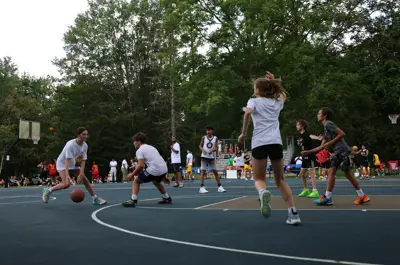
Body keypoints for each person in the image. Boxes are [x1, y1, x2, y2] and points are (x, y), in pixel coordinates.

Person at [238, 71, 301, 225]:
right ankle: (293, 214)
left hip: (259, 143)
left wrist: (243, 133)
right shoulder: (276, 103)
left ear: (258, 89)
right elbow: (283, 96)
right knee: (280, 180)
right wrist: (275, 82)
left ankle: (263, 192)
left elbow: (247, 114)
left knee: (259, 178)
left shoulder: (253, 101)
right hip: (275, 143)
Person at [301, 107, 370, 206]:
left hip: (342, 152)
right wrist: (308, 152)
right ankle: (328, 197)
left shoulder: (329, 123)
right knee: (332, 172)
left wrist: (331, 142)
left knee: (346, 174)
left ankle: (361, 196)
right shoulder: (326, 129)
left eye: (319, 113)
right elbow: (322, 146)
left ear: (324, 116)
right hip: (338, 153)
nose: (317, 115)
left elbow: (342, 133)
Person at [42, 127, 107, 205]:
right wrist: (67, 175)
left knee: (85, 180)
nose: (86, 136)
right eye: (84, 134)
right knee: (66, 184)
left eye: (87, 134)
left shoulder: (85, 145)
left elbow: (83, 160)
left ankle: (95, 199)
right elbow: (67, 160)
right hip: (63, 163)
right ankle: (48, 190)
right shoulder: (70, 145)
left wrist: (81, 173)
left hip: (74, 162)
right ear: (79, 135)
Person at [122, 132, 172, 207]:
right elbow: (159, 160)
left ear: (138, 142)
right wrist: (164, 175)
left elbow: (140, 166)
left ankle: (133, 200)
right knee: (156, 182)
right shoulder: (151, 147)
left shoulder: (139, 151)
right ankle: (166, 198)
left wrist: (132, 175)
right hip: (164, 168)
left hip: (155, 170)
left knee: (136, 181)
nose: (134, 143)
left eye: (134, 141)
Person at [295, 120, 319, 198]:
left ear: (302, 126)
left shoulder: (307, 134)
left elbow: (311, 136)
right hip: (304, 157)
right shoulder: (298, 136)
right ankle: (306, 190)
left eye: (298, 124)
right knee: (302, 174)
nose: (296, 126)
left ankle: (315, 191)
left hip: (310, 155)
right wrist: (299, 155)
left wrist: (318, 138)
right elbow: (300, 146)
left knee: (311, 172)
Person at [199, 126, 226, 194]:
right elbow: (200, 145)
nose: (208, 131)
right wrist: (203, 150)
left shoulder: (215, 138)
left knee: (215, 172)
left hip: (211, 157)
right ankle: (201, 187)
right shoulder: (204, 137)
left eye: (210, 130)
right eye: (207, 130)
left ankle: (219, 187)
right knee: (203, 171)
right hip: (204, 156)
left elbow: (216, 147)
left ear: (212, 131)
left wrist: (213, 150)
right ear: (206, 131)